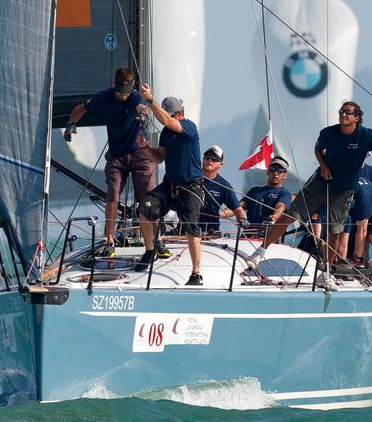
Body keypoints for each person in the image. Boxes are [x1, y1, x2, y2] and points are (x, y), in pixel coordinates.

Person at [251, 101, 372, 269]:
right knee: (291, 215)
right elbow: (318, 149)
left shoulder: (365, 136)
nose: (343, 114)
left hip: (344, 190)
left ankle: (329, 270)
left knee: (335, 230)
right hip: (321, 182)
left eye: (348, 112)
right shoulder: (329, 133)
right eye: (341, 111)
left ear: (357, 117)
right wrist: (323, 165)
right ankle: (260, 251)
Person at [65, 67, 157, 254]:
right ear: (114, 84)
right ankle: (109, 239)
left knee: (147, 196)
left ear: (132, 87)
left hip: (139, 153)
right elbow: (80, 109)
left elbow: (142, 108)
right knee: (113, 192)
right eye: (120, 92)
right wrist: (70, 123)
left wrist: (143, 114)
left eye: (127, 92)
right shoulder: (104, 96)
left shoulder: (136, 97)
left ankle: (156, 238)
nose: (123, 96)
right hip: (117, 154)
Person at [136, 83, 205, 285]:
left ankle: (196, 273)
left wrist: (150, 100)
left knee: (191, 228)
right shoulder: (167, 132)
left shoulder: (189, 127)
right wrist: (144, 147)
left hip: (190, 186)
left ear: (179, 114)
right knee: (144, 208)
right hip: (170, 185)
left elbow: (167, 120)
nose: (166, 120)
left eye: (170, 116)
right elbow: (159, 157)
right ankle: (150, 251)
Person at [199, 145, 247, 231]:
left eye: (214, 159)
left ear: (220, 164)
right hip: (184, 230)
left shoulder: (223, 186)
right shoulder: (190, 176)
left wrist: (243, 219)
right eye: (207, 157)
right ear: (202, 159)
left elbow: (238, 210)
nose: (210, 160)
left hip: (209, 232)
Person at [244, 156, 293, 234]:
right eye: (272, 169)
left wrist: (274, 217)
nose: (275, 173)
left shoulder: (285, 193)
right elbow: (237, 207)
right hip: (246, 236)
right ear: (268, 172)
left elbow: (280, 207)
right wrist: (219, 214)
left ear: (285, 175)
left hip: (268, 238)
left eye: (280, 170)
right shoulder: (254, 191)